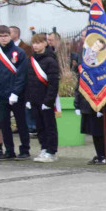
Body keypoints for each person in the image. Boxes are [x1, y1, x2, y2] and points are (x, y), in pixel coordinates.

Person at [0, 25, 30, 159]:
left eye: (5, 35)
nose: (3, 38)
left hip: (16, 95)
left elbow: (22, 75)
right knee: (4, 125)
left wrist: (16, 92)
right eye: (0, 36)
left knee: (21, 123)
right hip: (0, 95)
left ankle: (25, 150)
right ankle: (9, 150)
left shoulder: (19, 52)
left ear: (10, 35)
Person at [25, 33, 60, 162]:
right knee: (39, 126)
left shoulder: (50, 60)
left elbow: (53, 83)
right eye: (34, 43)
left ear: (45, 43)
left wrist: (48, 101)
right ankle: (44, 148)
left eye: (38, 43)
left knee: (49, 126)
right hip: (34, 100)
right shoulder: (31, 60)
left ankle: (51, 151)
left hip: (46, 100)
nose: (35, 45)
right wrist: (28, 99)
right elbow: (28, 80)